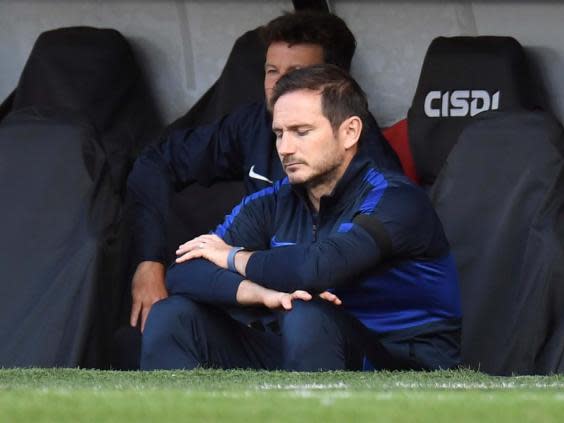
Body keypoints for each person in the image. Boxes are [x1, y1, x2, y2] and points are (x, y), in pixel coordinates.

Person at [140, 64, 462, 371]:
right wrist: (264, 295)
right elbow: (184, 272)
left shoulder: (395, 198)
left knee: (306, 314)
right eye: (279, 134)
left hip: (402, 362)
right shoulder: (272, 201)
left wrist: (234, 258)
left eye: (301, 132)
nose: (285, 147)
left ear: (349, 132)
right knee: (172, 315)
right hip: (307, 346)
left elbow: (318, 268)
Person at [127, 11, 401, 332]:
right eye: (272, 71)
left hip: (334, 315)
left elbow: (334, 268)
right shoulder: (254, 124)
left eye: (297, 73)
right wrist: (150, 260)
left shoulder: (372, 167)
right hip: (258, 302)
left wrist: (234, 260)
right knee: (170, 315)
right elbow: (157, 160)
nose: (279, 85)